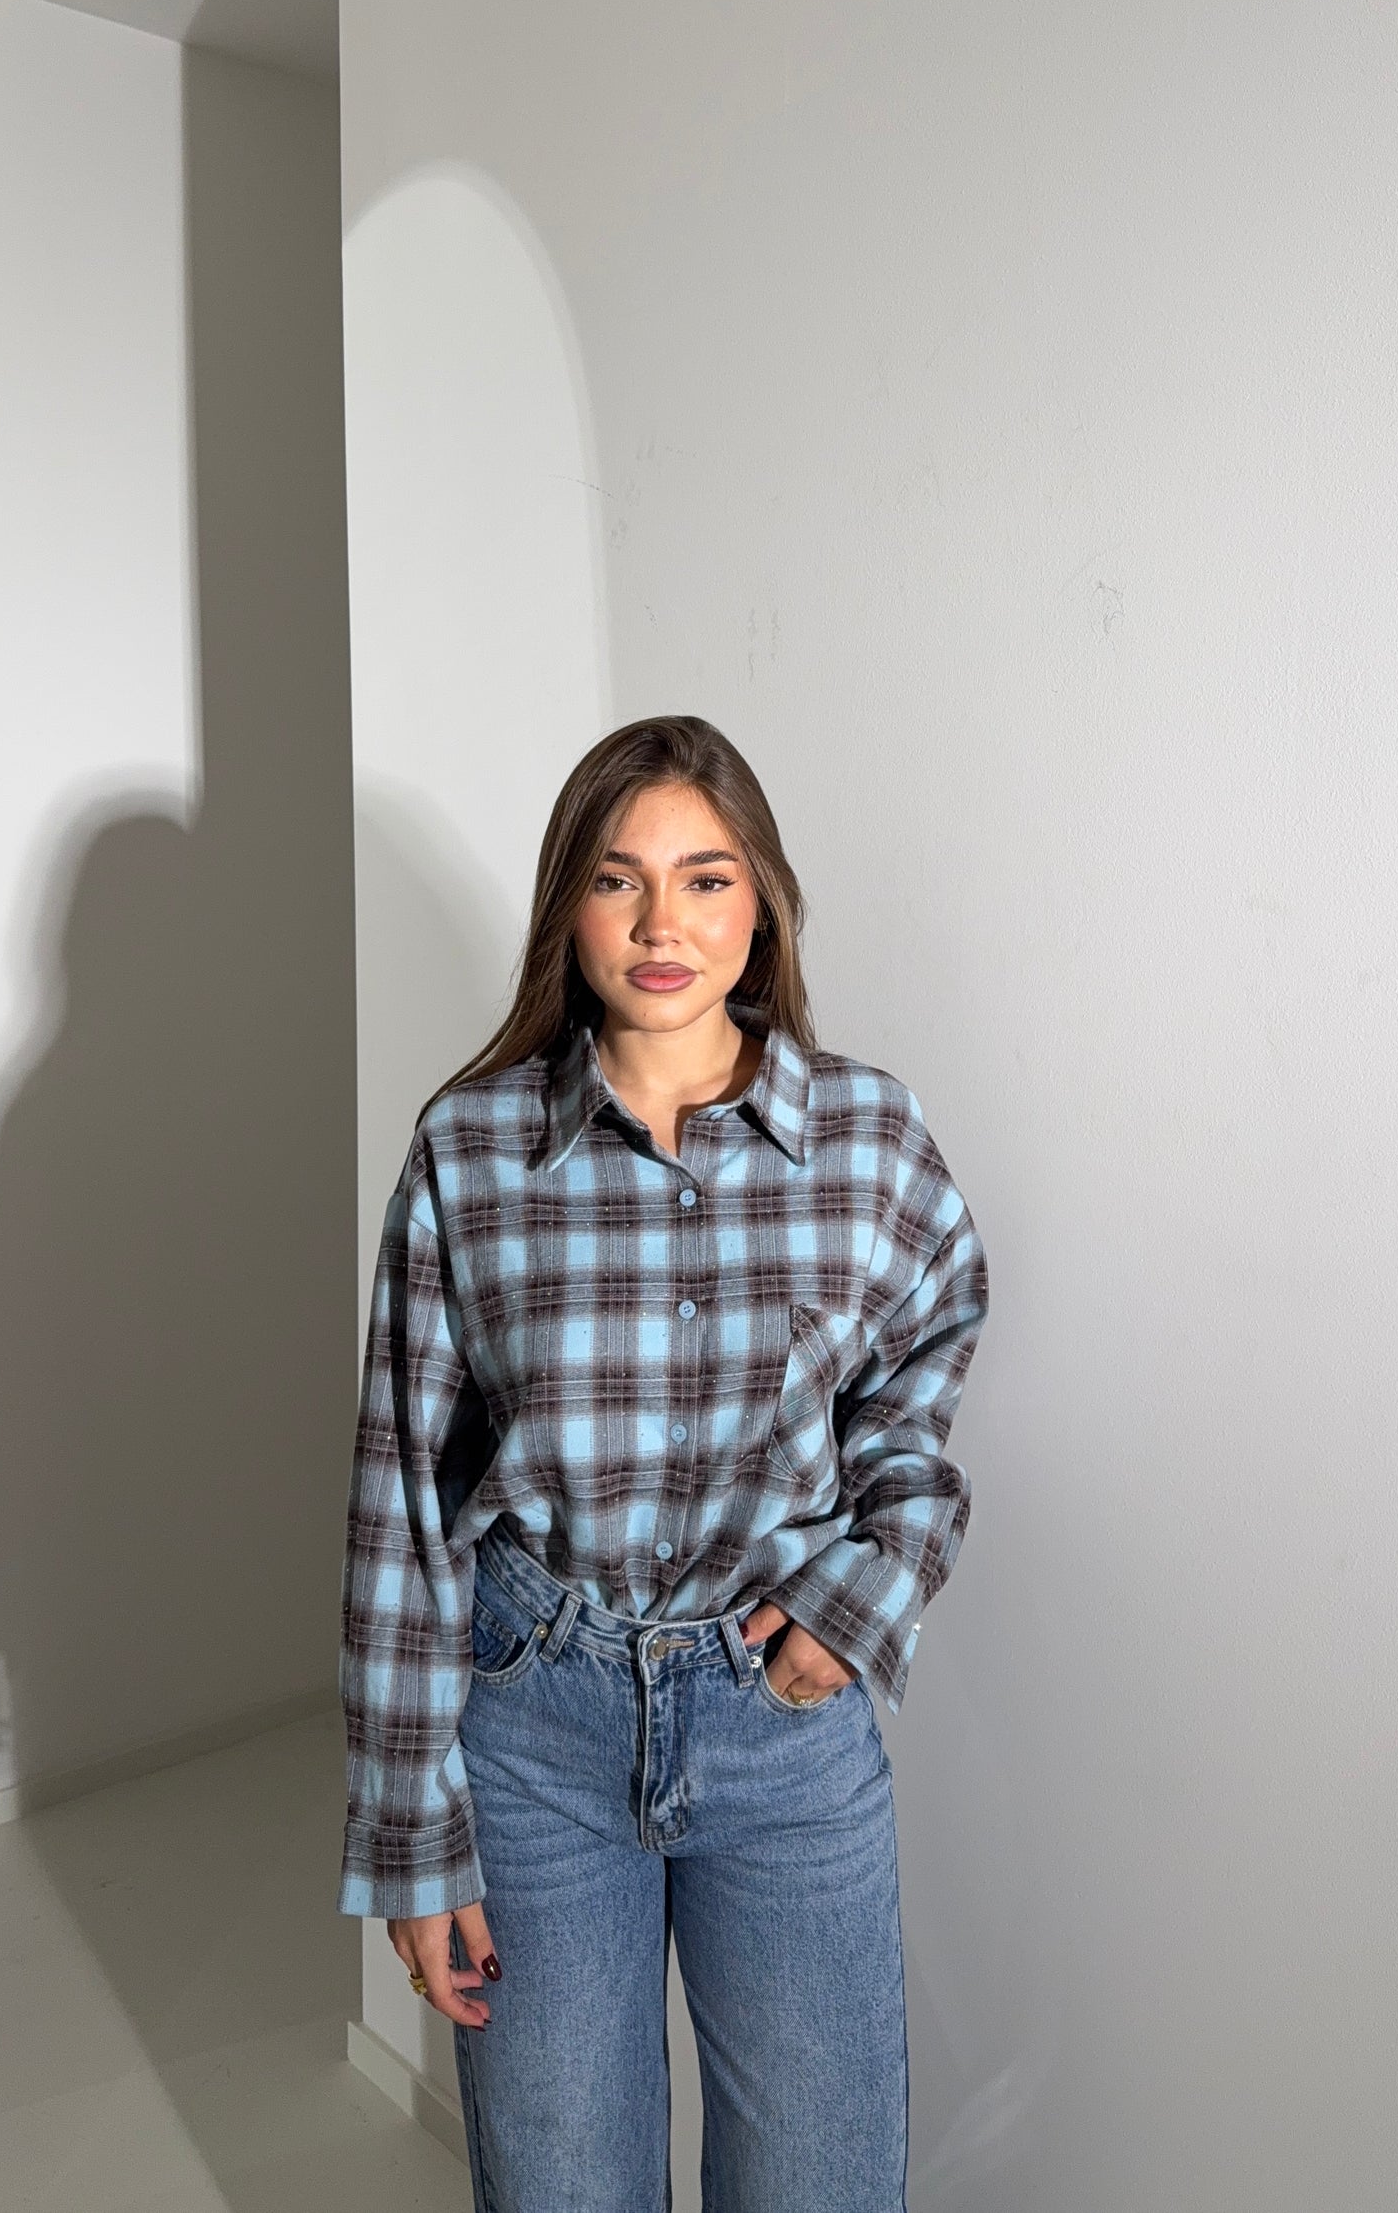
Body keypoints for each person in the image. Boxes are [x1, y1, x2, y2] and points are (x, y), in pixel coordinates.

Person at [338, 715, 988, 2213]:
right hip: (534, 1732)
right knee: (561, 2187)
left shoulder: (869, 1139)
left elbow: (922, 1380)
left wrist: (865, 1591)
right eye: (616, 879)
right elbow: (403, 1502)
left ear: (762, 906)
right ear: (567, 906)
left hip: (784, 1729)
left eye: (705, 879)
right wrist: (414, 1838)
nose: (659, 926)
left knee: (821, 2186)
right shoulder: (469, 1149)